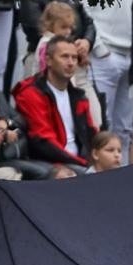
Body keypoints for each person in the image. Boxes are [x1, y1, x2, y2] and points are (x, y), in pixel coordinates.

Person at [14, 37, 98, 171]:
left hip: (79, 162)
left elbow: (91, 134)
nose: (71, 63)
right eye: (65, 57)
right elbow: (43, 142)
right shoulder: (31, 94)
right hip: (51, 163)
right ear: (48, 60)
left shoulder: (78, 96)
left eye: (74, 58)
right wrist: (84, 164)